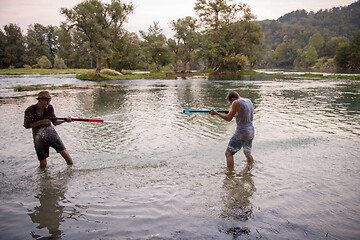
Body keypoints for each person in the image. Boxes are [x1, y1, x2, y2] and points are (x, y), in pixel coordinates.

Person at [24, 91, 73, 169]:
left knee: (64, 153)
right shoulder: (30, 110)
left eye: (49, 100)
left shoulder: (50, 107)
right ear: (39, 100)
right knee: (43, 163)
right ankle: (44, 179)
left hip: (51, 133)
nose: (48, 103)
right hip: (38, 137)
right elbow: (27, 125)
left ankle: (71, 171)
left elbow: (55, 122)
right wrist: (41, 122)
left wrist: (65, 120)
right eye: (46, 101)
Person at [210, 91, 254, 170]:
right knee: (247, 153)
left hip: (241, 132)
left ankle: (230, 174)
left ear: (233, 99)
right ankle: (250, 169)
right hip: (251, 131)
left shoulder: (236, 102)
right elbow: (242, 114)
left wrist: (216, 113)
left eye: (230, 102)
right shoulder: (248, 101)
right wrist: (232, 112)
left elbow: (228, 118)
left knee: (228, 153)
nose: (231, 104)